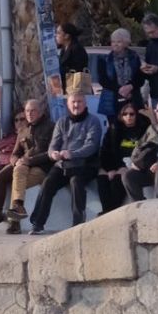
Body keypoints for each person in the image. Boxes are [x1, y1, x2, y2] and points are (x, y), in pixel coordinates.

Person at [27, 89, 106, 234]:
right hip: (63, 164)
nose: (76, 105)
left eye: (79, 102)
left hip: (85, 164)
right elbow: (53, 145)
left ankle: (78, 223)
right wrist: (53, 154)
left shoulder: (93, 121)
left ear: (85, 103)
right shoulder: (62, 122)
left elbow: (91, 146)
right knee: (48, 183)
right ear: (68, 104)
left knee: (76, 182)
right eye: (73, 102)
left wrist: (72, 154)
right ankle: (37, 223)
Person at [0, 98, 53, 231]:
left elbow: (50, 153)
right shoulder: (23, 131)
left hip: (41, 168)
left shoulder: (51, 127)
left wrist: (28, 161)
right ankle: (16, 209)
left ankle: (14, 222)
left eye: (33, 111)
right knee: (17, 174)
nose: (30, 114)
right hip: (23, 168)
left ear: (41, 111)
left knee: (17, 177)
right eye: (27, 111)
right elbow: (15, 154)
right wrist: (16, 161)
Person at [93, 29, 143, 119]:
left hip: (132, 98)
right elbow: (103, 80)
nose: (115, 44)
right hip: (112, 99)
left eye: (119, 42)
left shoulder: (134, 57)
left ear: (126, 43)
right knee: (114, 128)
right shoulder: (104, 59)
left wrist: (130, 87)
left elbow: (140, 77)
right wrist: (120, 89)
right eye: (113, 42)